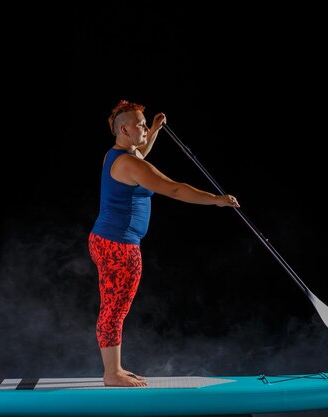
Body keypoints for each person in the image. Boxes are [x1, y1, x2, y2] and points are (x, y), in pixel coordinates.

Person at [88, 100, 240, 387]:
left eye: (146, 123)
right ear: (123, 128)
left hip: (105, 240)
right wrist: (216, 200)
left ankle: (114, 368)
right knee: (114, 309)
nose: (144, 127)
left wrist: (155, 129)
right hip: (119, 247)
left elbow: (140, 152)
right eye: (140, 124)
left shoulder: (118, 154)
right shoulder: (130, 164)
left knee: (113, 306)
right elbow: (174, 189)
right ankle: (112, 373)